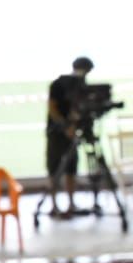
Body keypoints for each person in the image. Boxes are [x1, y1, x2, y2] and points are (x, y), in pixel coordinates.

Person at [45, 56, 94, 217]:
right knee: (55, 169)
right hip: (56, 133)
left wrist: (73, 125)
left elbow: (78, 108)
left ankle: (71, 204)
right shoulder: (58, 85)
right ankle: (54, 205)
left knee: (71, 169)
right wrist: (64, 126)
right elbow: (53, 108)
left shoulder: (81, 86)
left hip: (71, 132)